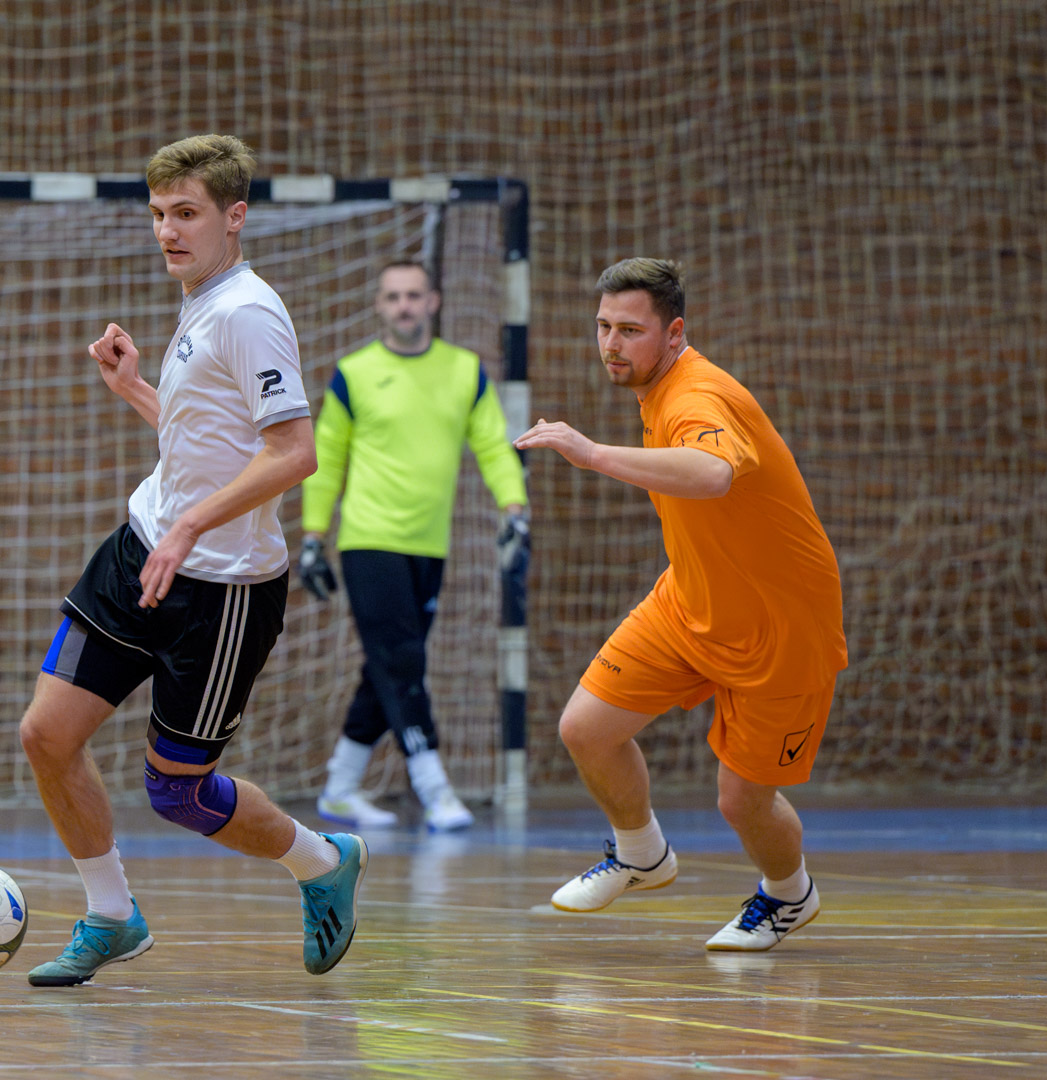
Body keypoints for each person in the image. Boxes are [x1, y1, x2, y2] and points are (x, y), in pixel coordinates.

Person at [18, 134, 367, 986]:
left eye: (186, 213)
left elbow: (293, 453)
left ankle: (321, 860)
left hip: (221, 592)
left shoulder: (248, 312)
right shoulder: (201, 301)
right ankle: (111, 916)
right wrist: (137, 390)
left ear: (233, 216)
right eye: (158, 214)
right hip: (140, 550)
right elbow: (211, 442)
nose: (167, 231)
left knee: (176, 792)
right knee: (46, 735)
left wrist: (189, 531)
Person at [514, 257, 846, 952]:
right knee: (586, 729)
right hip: (689, 599)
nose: (611, 345)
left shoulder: (696, 395)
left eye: (630, 331)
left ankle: (789, 895)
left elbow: (713, 472)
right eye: (603, 327)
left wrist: (590, 453)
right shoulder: (655, 391)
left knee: (741, 802)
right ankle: (641, 854)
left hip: (780, 628)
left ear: (674, 334)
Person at [298, 261, 529, 832]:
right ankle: (436, 788)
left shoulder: (465, 371)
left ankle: (340, 789)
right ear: (380, 305)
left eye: (414, 295)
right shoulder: (354, 374)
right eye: (393, 296)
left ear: (433, 302)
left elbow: (494, 445)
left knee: (388, 664)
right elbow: (325, 457)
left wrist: (514, 507)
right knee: (403, 660)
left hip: (430, 546)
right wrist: (312, 536)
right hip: (368, 541)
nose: (404, 305)